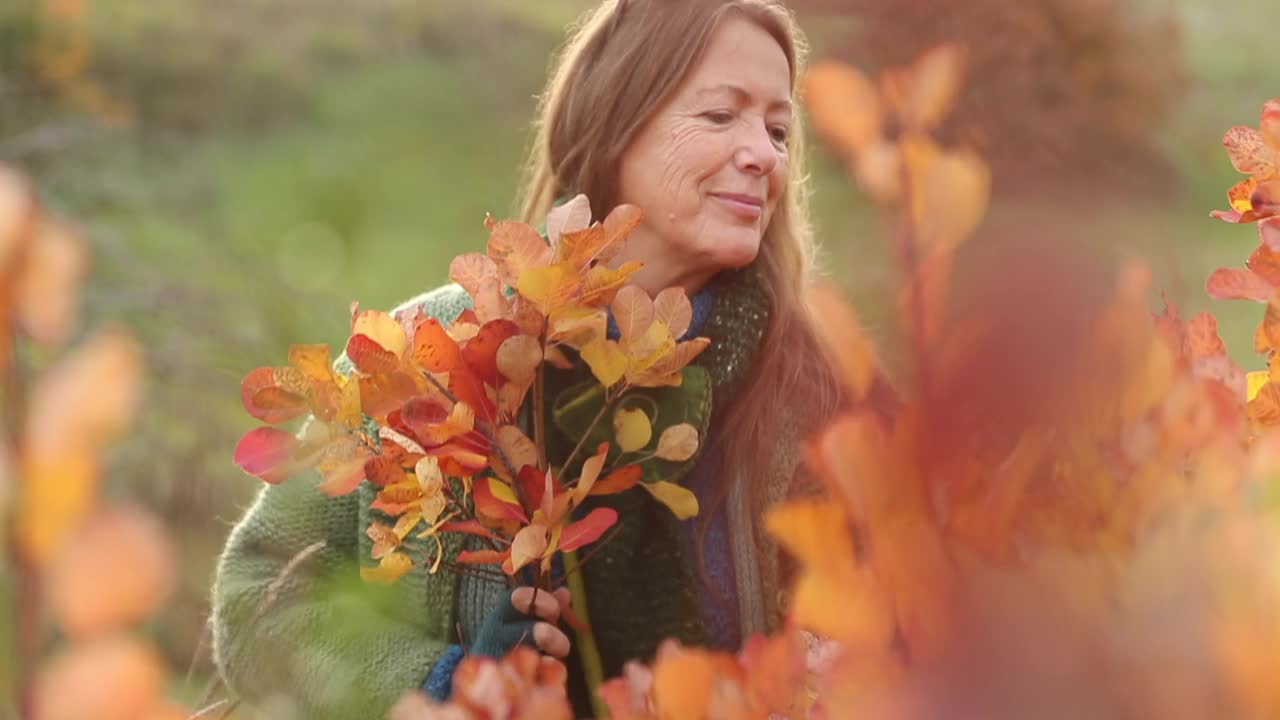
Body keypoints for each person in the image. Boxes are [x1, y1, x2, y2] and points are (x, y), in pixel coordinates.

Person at [211, 1, 855, 717]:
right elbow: (257, 596)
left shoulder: (819, 396)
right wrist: (441, 682)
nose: (765, 156)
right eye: (719, 117)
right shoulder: (425, 356)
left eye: (778, 129)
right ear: (616, 126)